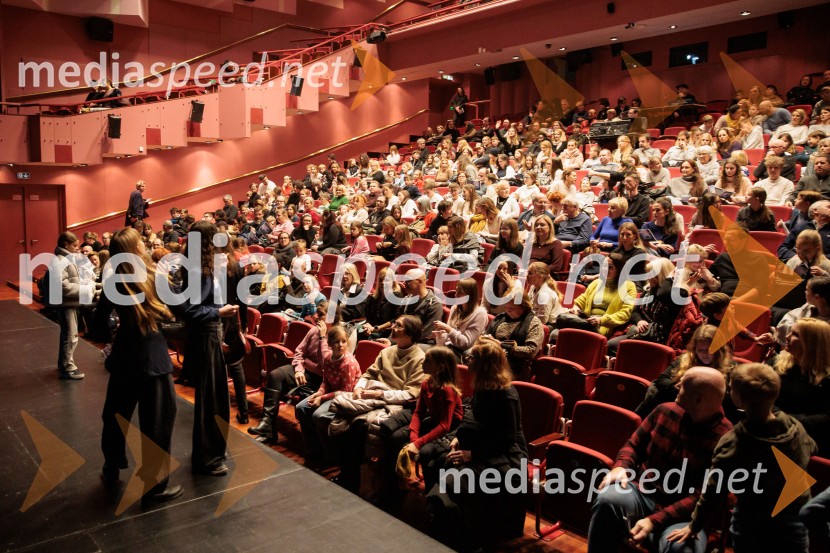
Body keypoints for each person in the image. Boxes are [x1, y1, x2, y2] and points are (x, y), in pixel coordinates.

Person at [668, 363, 816, 553]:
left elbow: (713, 492)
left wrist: (693, 526)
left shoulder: (733, 443)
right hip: (796, 520)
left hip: (753, 525)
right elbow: (812, 448)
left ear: (738, 399)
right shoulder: (796, 428)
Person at [588, 367, 733, 553]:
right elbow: (633, 445)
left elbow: (704, 496)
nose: (677, 385)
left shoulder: (727, 440)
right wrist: (621, 466)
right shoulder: (664, 410)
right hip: (642, 492)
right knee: (607, 499)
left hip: (685, 514)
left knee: (683, 549)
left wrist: (653, 521)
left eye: (683, 385)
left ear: (698, 399)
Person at [98, 227, 182, 503]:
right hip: (153, 358)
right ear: (137, 249)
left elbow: (98, 324)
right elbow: (180, 311)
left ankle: (112, 467)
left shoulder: (112, 282)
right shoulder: (155, 276)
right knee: (157, 423)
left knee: (115, 417)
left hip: (124, 357)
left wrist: (117, 329)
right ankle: (156, 485)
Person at [426, 340, 527, 550]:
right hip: (482, 445)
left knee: (456, 480)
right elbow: (473, 420)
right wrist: (459, 438)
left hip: (505, 456)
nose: (467, 361)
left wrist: (471, 454)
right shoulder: (483, 386)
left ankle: (473, 538)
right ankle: (451, 525)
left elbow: (507, 439)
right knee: (436, 460)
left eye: (471, 359)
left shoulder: (505, 395)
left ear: (484, 365)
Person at [173, 221, 240, 476]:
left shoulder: (198, 266)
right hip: (206, 332)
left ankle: (210, 454)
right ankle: (209, 458)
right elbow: (191, 309)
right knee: (212, 398)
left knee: (212, 397)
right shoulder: (198, 270)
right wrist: (218, 311)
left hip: (207, 332)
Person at [248, 302, 340, 444]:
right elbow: (299, 352)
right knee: (275, 375)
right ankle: (267, 426)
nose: (316, 316)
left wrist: (322, 338)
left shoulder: (336, 337)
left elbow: (325, 364)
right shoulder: (314, 331)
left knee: (280, 384)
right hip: (303, 372)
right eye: (317, 313)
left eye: (321, 314)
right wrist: (298, 370)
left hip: (320, 379)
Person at [294, 325, 362, 463]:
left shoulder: (348, 363)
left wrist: (322, 398)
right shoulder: (328, 358)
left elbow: (346, 391)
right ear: (330, 344)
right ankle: (313, 449)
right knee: (301, 407)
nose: (340, 345)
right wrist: (319, 393)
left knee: (318, 415)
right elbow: (326, 380)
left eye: (343, 341)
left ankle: (331, 455)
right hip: (332, 393)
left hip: (346, 397)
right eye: (336, 342)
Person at [773, 318, 830, 455]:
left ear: (811, 344)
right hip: (773, 430)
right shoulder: (777, 363)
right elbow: (759, 395)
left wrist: (784, 419)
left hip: (807, 441)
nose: (787, 336)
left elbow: (826, 419)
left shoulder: (827, 379)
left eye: (795, 334)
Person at [47, 231, 97, 380]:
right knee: (70, 335)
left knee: (69, 334)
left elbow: (71, 281)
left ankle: (64, 363)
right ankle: (67, 367)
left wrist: (85, 283)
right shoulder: (60, 261)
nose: (77, 248)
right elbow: (62, 286)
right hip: (65, 303)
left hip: (69, 302)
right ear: (65, 244)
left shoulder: (65, 259)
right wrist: (85, 289)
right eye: (74, 245)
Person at [433, 278, 489, 360]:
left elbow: (467, 344)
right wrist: (440, 335)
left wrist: (448, 329)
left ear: (470, 295)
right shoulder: (455, 308)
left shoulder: (480, 314)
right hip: (448, 348)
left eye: (460, 293)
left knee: (435, 359)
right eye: (456, 291)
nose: (456, 295)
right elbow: (448, 336)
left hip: (464, 354)